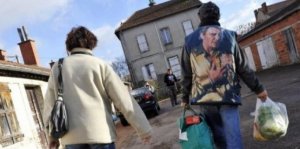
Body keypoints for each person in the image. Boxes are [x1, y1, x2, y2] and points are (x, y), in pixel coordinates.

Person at [43, 26, 152, 149]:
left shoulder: (58, 67)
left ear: (69, 45)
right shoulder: (99, 65)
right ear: (92, 43)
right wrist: (144, 130)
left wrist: (52, 137)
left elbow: (49, 105)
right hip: (101, 133)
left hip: (71, 138)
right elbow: (123, 100)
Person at [180, 2, 268, 149]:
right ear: (219, 16)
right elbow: (243, 67)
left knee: (217, 137)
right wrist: (259, 89)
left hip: (204, 99)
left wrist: (184, 97)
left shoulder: (189, 40)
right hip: (229, 97)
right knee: (233, 136)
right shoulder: (229, 36)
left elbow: (186, 73)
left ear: (199, 17)